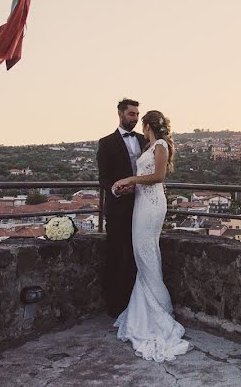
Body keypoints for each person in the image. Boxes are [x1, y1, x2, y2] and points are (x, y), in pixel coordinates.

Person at [112, 110, 190, 361]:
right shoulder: (152, 145)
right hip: (141, 202)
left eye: (142, 123)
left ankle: (159, 312)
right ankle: (144, 308)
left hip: (152, 204)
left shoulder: (160, 145)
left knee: (146, 252)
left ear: (147, 125)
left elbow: (158, 177)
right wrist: (130, 187)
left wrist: (130, 178)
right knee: (141, 252)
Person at [96, 98, 146, 317]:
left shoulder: (145, 140)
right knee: (116, 254)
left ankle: (137, 304)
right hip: (118, 209)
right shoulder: (106, 143)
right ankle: (115, 306)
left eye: (137, 115)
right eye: (131, 114)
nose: (135, 118)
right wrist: (116, 190)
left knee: (138, 255)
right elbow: (103, 178)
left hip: (143, 206)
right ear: (120, 114)